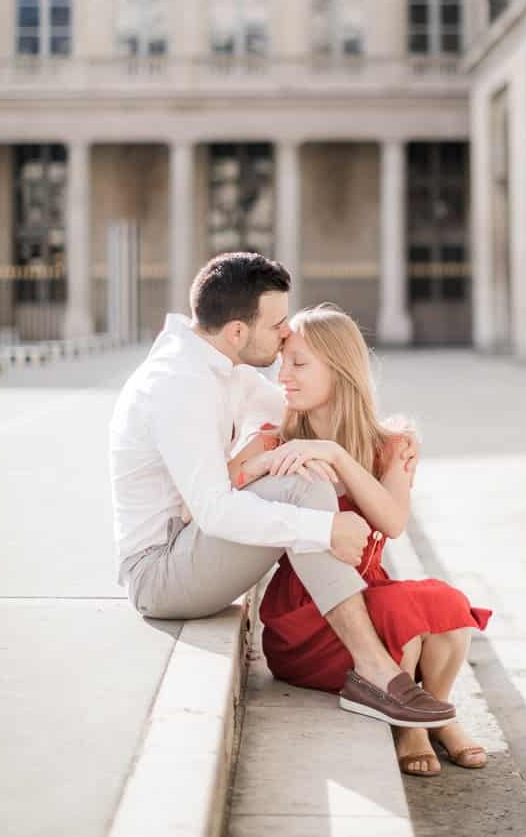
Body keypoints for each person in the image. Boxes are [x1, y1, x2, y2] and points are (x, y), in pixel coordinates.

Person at [110, 252, 457, 732]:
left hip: (194, 555)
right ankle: (374, 670)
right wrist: (325, 526)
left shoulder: (224, 370)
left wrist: (395, 434)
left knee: (306, 472)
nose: (282, 337)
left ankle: (374, 671)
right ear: (237, 332)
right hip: (162, 574)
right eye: (276, 326)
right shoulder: (176, 384)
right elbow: (212, 512)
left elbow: (318, 403)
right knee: (304, 487)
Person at [231, 302, 493, 778]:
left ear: (340, 368)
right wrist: (267, 463)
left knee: (446, 608)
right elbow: (218, 488)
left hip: (372, 598)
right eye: (282, 362)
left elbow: (391, 522)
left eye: (299, 363)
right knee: (405, 614)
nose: (283, 376)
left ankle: (434, 711)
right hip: (305, 618)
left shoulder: (389, 446)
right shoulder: (274, 440)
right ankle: (416, 728)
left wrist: (334, 454)